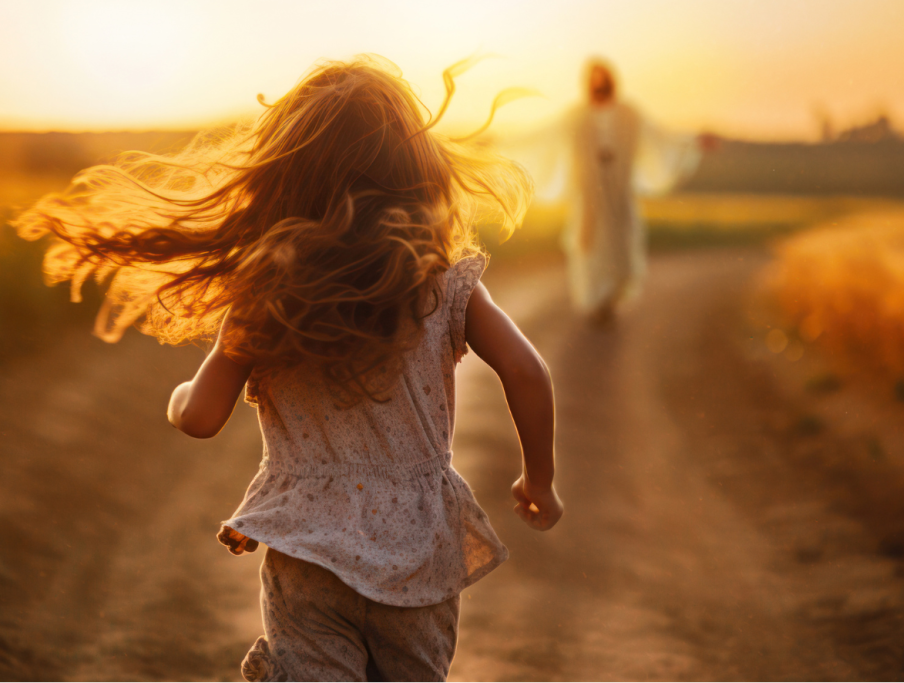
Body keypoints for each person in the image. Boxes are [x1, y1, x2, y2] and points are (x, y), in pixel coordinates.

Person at [14, 56, 563, 682]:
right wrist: (538, 478)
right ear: (416, 174)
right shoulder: (445, 285)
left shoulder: (269, 294)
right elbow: (527, 372)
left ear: (284, 180)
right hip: (418, 554)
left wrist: (176, 397)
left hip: (309, 557)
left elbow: (198, 417)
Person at [502, 59, 714, 325]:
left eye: (602, 76)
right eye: (593, 77)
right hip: (588, 197)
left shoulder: (629, 113)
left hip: (619, 195)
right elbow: (542, 136)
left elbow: (660, 136)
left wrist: (693, 141)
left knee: (621, 247)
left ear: (611, 79)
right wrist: (501, 142)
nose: (598, 82)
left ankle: (611, 299)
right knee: (590, 249)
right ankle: (596, 302)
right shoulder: (576, 115)